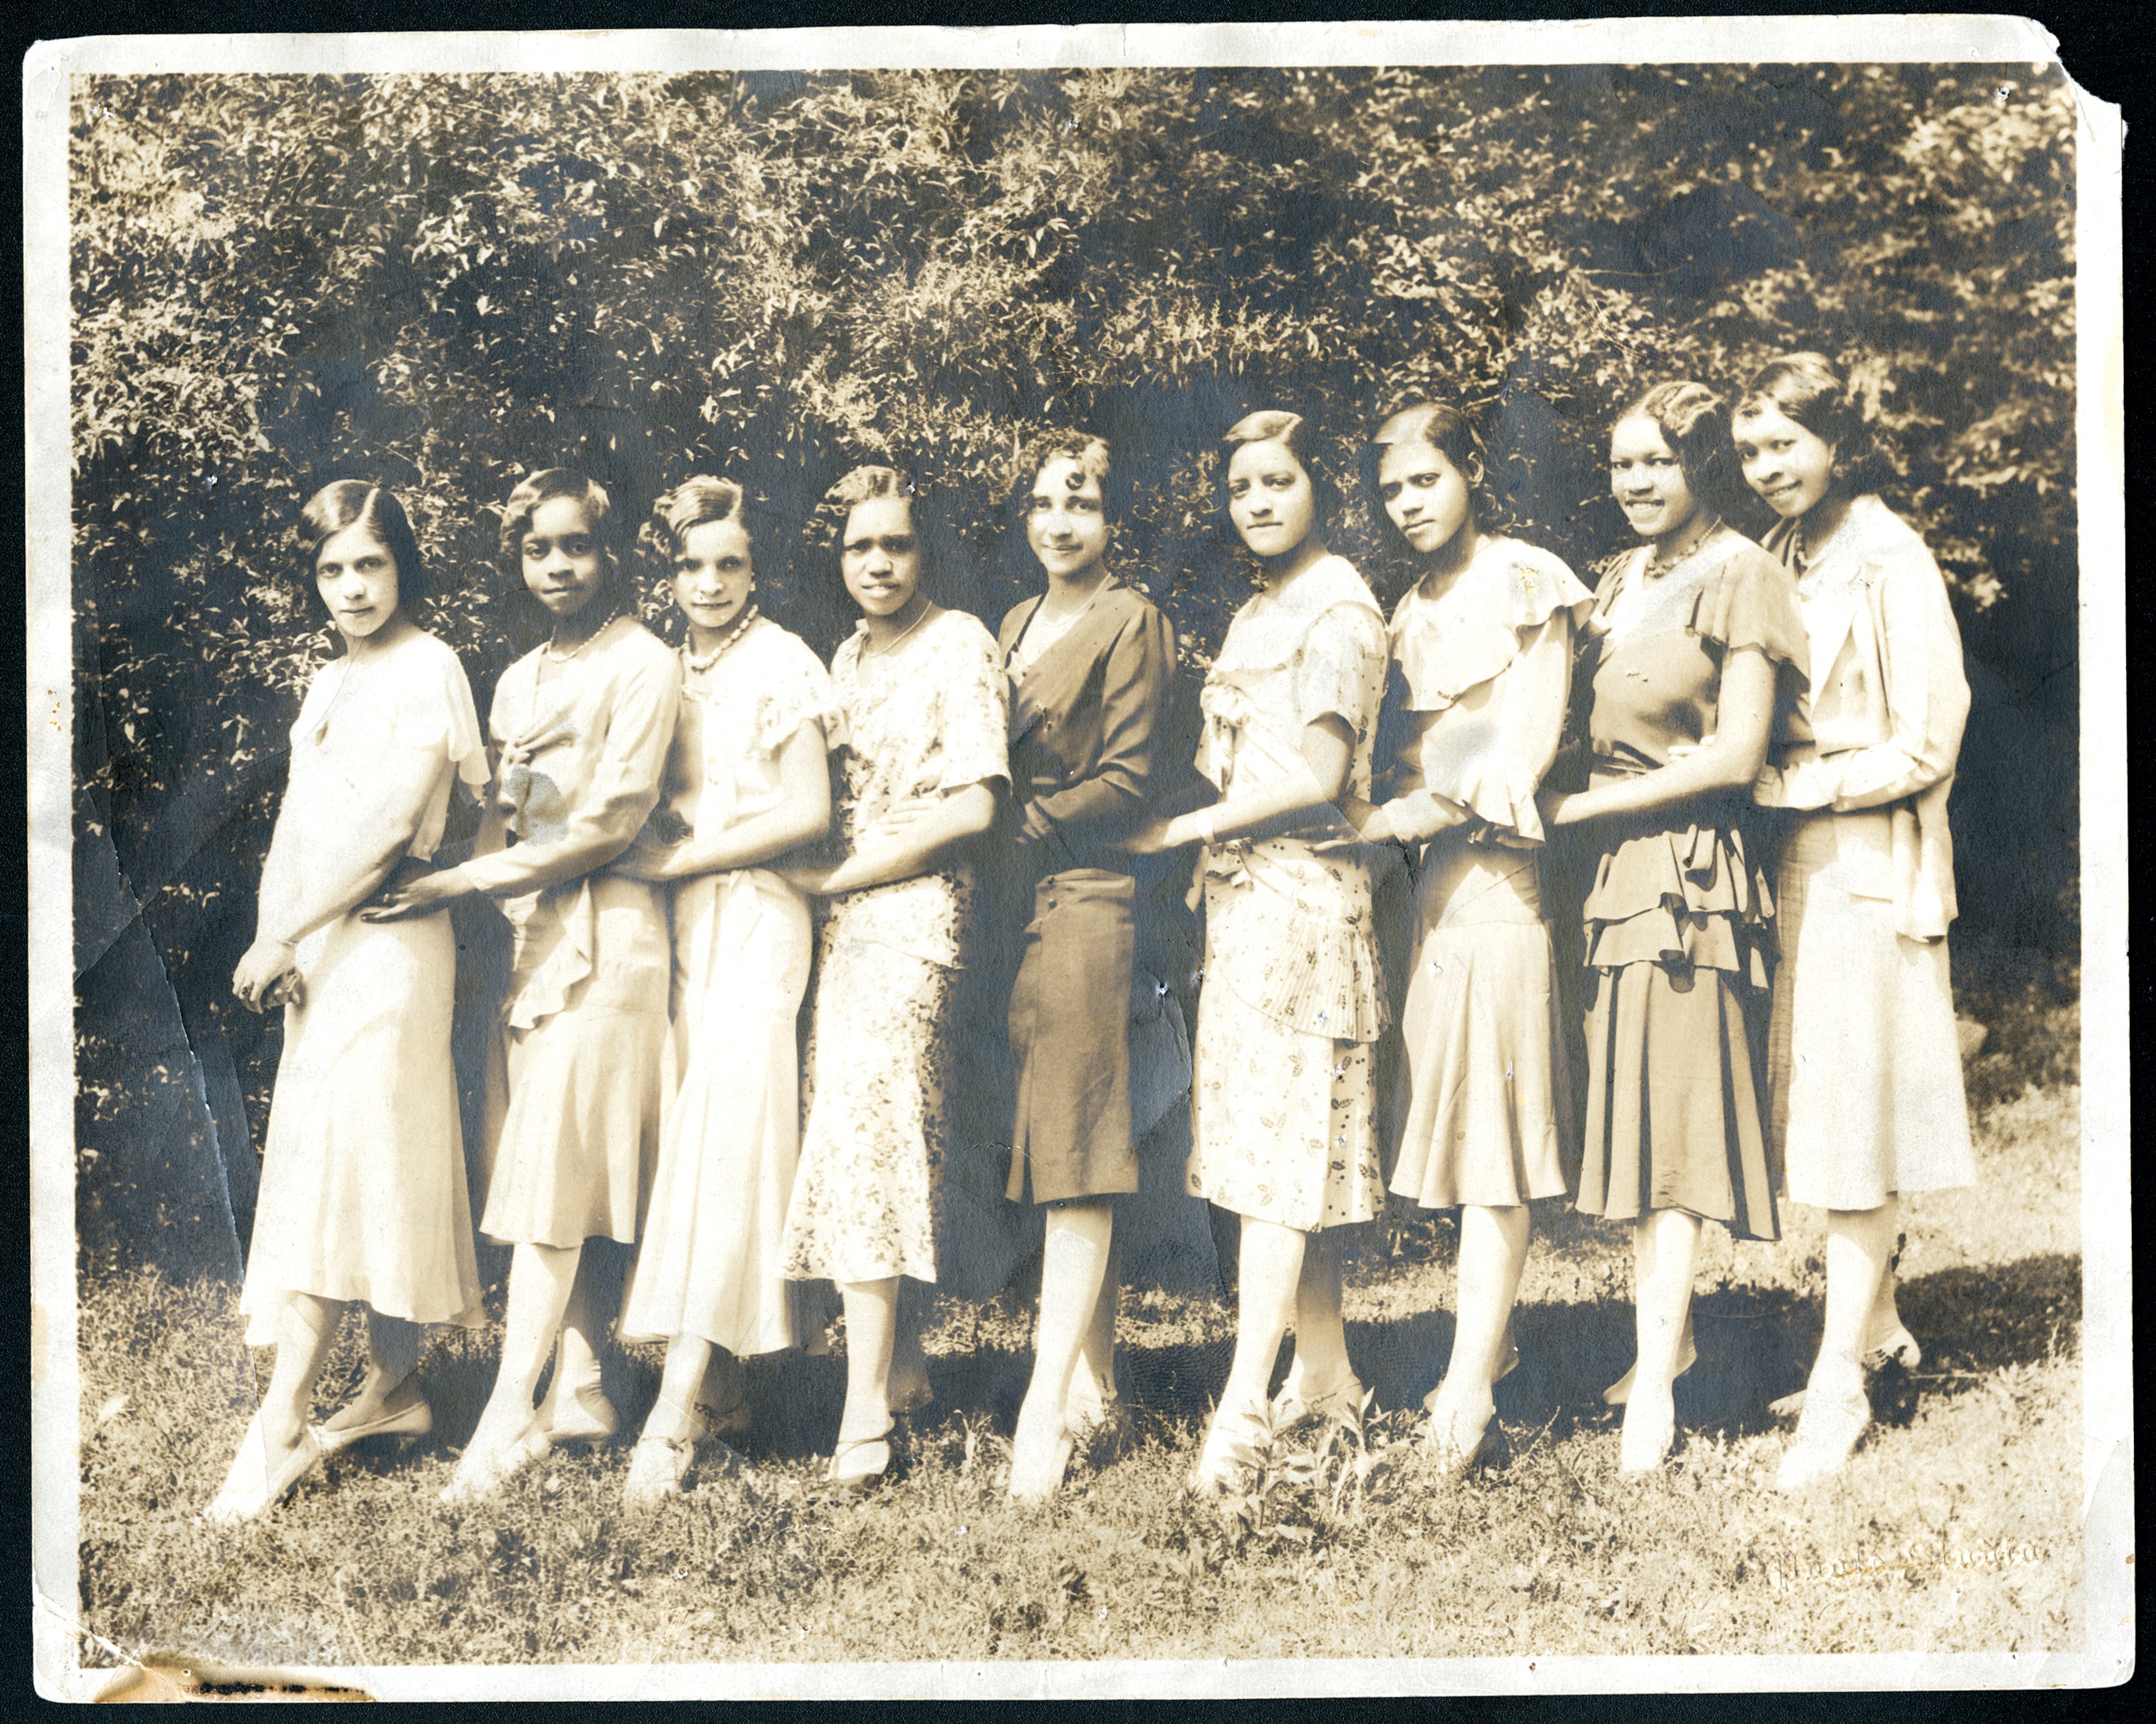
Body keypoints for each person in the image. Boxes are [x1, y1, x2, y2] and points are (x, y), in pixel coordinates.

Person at [366, 468, 682, 1505]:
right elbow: (509, 820)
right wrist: (473, 888)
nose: (557, 565)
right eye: (538, 549)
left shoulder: (645, 663)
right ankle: (581, 1389)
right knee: (556, 1170)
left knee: (555, 1179)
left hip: (614, 939)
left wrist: (463, 882)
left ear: (609, 551)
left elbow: (613, 821)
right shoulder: (516, 679)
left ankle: (504, 1415)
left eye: (576, 546)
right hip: (534, 936)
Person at [207, 482, 488, 1523]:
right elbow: (298, 821)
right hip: (322, 948)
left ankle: (282, 1420)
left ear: (403, 564)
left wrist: (291, 931)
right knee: (353, 1159)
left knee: (346, 1162)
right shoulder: (330, 678)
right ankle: (395, 1389)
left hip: (390, 945)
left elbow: (389, 834)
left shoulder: (430, 666)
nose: (353, 587)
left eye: (371, 564)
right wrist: (279, 935)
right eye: (332, 569)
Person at [1541, 382, 1809, 1473]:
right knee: (1639, 1118)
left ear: (1702, 464)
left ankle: (1654, 1383)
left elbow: (1737, 755)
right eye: (1621, 464)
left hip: (1692, 877)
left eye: (1658, 461)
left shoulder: (1744, 573)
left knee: (1677, 1133)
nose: (1636, 482)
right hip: (1614, 882)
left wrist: (1580, 810)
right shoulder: (1621, 578)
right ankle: (1672, 1343)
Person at [1126, 409, 1390, 1494]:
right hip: (1243, 907)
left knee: (1283, 1154)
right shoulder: (1255, 614)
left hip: (1306, 900)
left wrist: (1189, 828)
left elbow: (1321, 778)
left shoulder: (1338, 608)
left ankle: (1241, 1411)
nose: (1259, 503)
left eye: (1279, 481)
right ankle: (1327, 1378)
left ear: (1319, 487)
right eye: (1242, 489)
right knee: (1271, 1152)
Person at [1333, 403, 1593, 1474]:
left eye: (1426, 479)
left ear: (1470, 470)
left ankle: (1470, 1390)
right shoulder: (1406, 612)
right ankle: (1494, 1348)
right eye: (1392, 489)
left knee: (1494, 1149)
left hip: (1501, 879)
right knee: (1454, 1132)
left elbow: (1516, 756)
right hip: (1432, 894)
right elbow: (1399, 760)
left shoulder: (1530, 583)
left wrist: (1378, 822)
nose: (1410, 503)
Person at [1736, 352, 1976, 1489]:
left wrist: (1805, 787)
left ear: (1837, 441)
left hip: (1870, 857)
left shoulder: (1891, 556)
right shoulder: (1779, 554)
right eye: (1750, 449)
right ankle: (1877, 1335)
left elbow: (1930, 736)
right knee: (1821, 1110)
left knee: (1853, 1123)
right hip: (1796, 859)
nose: (1766, 466)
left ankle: (1839, 1386)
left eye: (1785, 443)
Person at [775, 466, 1010, 1496]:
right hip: (848, 924)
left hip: (913, 916)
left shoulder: (959, 643)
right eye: (859, 547)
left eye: (896, 544)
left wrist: (844, 877)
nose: (877, 563)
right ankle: (904, 1369)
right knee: (871, 1138)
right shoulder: (847, 656)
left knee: (871, 1143)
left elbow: (973, 807)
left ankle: (864, 1407)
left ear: (925, 551)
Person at [607, 478, 838, 1507]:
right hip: (686, 924)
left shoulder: (784, 661)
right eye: (692, 565)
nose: (709, 582)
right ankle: (726, 1392)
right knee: (698, 1147)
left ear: (757, 570)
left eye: (729, 564)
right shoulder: (665, 668)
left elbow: (808, 811)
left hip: (760, 912)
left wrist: (688, 858)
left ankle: (674, 1408)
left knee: (728, 1134)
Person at [990, 433, 1176, 1501]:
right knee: (1054, 1143)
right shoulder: (1016, 623)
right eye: (1044, 503)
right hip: (1021, 903)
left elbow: (1130, 779)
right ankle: (1095, 1389)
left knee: (1076, 1150)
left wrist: (1015, 828)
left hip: (1092, 892)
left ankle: (1042, 1409)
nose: (1060, 522)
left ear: (1113, 519)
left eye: (1083, 503)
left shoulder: (1129, 618)